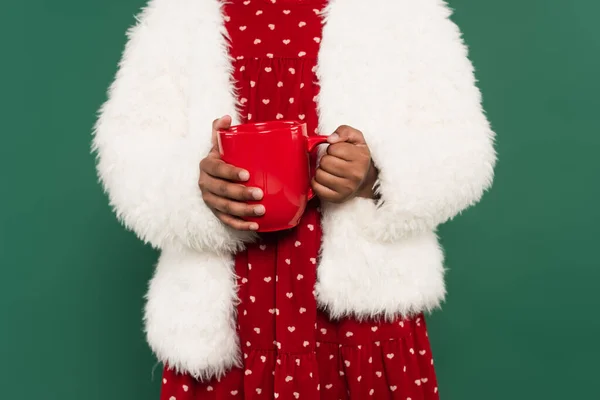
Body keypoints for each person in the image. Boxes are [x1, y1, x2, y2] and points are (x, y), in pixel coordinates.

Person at [93, 0, 496, 398]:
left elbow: (462, 148)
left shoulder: (402, 10)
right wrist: (196, 184)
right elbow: (129, 151)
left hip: (360, 307)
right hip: (228, 307)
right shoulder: (179, 14)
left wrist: (376, 175)